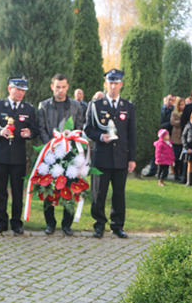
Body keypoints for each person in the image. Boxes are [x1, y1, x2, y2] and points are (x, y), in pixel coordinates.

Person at [84, 68, 136, 238]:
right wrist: (100, 136)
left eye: (116, 83)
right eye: (110, 82)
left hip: (121, 157)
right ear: (105, 84)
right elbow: (87, 129)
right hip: (102, 156)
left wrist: (132, 158)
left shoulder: (127, 106)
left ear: (121, 84)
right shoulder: (95, 105)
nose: (113, 86)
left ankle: (117, 225)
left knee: (119, 194)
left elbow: (132, 134)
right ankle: (99, 225)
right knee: (99, 193)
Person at [0, 76, 38, 235]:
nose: (20, 93)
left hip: (19, 157)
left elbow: (35, 129)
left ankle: (16, 222)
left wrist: (30, 133)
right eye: (17, 89)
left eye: (23, 91)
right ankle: (1, 222)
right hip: (0, 155)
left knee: (17, 191)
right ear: (9, 89)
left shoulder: (28, 109)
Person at [37, 73, 85, 236]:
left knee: (70, 189)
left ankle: (67, 224)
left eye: (64, 87)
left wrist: (70, 145)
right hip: (50, 153)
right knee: (48, 187)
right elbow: (41, 129)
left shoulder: (76, 106)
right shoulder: (43, 106)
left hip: (70, 154)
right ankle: (50, 223)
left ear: (68, 87)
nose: (61, 90)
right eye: (58, 87)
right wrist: (51, 145)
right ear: (52, 87)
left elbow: (79, 128)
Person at [170, 97, 185, 182]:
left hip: (183, 137)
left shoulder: (185, 113)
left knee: (182, 158)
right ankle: (176, 174)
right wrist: (181, 121)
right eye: (180, 104)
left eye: (183, 104)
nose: (181, 106)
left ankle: (181, 174)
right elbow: (173, 122)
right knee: (176, 157)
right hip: (175, 137)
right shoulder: (174, 113)